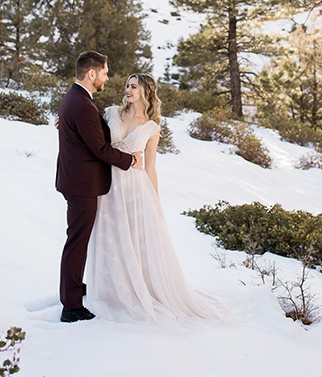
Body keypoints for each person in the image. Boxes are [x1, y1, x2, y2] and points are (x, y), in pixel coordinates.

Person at [86, 73, 232, 324]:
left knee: (135, 239)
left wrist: (154, 200)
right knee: (109, 237)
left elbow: (151, 166)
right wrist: (63, 121)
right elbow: (87, 132)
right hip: (108, 185)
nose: (128, 89)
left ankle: (137, 290)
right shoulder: (111, 113)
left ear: (145, 91)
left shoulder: (152, 126)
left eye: (134, 86)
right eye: (127, 86)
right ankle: (111, 291)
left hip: (135, 188)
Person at [55, 50, 143, 323]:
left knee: (77, 239)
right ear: (91, 74)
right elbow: (100, 149)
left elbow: (90, 136)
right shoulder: (81, 104)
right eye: (104, 72)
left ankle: (75, 287)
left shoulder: (75, 99)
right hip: (82, 184)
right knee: (77, 242)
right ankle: (71, 305)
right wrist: (130, 160)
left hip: (76, 179)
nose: (107, 77)